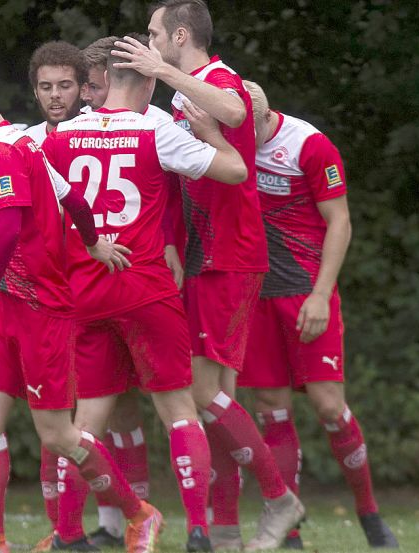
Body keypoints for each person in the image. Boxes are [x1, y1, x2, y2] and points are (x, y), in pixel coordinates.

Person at [0, 60, 165, 553]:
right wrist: (94, 241)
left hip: (42, 309)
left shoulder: (3, 151)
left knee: (58, 433)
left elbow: (10, 227)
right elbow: (71, 195)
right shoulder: (23, 142)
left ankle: (140, 514)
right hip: (13, 306)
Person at [41, 36, 255, 552]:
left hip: (86, 290)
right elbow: (235, 172)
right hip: (144, 289)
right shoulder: (155, 127)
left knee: (83, 425)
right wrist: (215, 138)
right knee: (178, 411)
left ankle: (70, 537)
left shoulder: (60, 137)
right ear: (151, 80)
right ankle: (199, 532)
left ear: (104, 82)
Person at [111, 1, 304, 549]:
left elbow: (237, 113)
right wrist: (171, 242)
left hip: (231, 254)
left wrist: (162, 72)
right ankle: (224, 528)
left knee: (199, 392)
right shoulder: (183, 92)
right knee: (217, 396)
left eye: (154, 35)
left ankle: (278, 497)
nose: (149, 44)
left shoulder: (218, 80)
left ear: (178, 36)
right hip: (204, 253)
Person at [237, 81, 399, 549]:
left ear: (264, 121)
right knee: (272, 409)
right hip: (256, 295)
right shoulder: (228, 140)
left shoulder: (309, 145)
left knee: (329, 406)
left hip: (305, 291)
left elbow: (340, 221)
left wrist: (321, 295)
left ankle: (369, 513)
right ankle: (288, 528)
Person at [25, 41, 88, 145]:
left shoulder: (103, 138)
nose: (54, 94)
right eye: (46, 87)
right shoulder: (26, 144)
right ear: (36, 92)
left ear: (83, 90)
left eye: (64, 86)